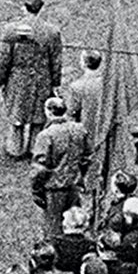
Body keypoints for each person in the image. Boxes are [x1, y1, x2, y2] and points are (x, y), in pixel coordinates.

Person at [0, 0, 63, 158]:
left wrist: (0, 79)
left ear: (25, 9)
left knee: (17, 117)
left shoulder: (11, 30)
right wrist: (55, 82)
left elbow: (5, 58)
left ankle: (15, 149)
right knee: (38, 118)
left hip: (18, 79)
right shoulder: (52, 32)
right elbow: (56, 60)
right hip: (42, 78)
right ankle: (35, 148)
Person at [31, 95, 91, 242]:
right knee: (75, 220)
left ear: (49, 112)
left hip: (55, 188)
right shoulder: (79, 129)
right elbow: (87, 156)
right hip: (75, 183)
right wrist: (80, 174)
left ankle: (55, 249)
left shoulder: (46, 136)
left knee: (53, 226)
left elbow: (40, 168)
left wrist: (36, 189)